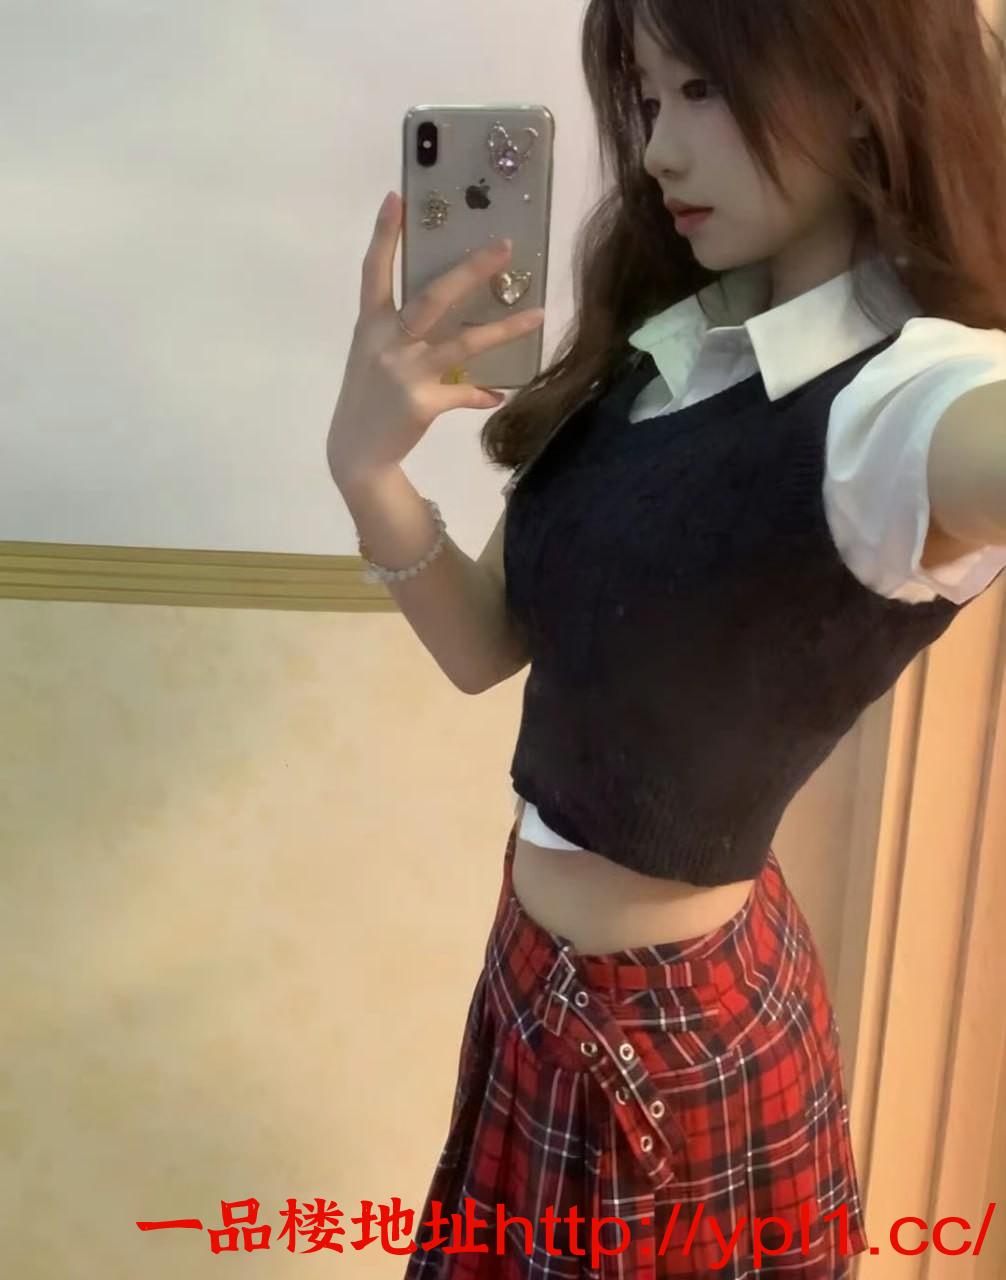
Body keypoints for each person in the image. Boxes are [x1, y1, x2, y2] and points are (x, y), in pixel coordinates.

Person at [327, 1, 1006, 1274]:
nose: (655, 149)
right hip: (533, 983)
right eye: (647, 96)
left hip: (681, 1051)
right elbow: (483, 647)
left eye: (702, 91)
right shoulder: (665, 350)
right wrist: (367, 471)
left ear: (862, 94)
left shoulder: (901, 405)